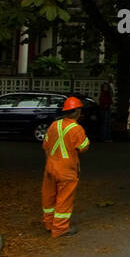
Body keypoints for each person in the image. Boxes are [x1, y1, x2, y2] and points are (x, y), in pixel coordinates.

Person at [41, 96, 91, 237]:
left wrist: (49, 162)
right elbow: (83, 148)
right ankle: (60, 228)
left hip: (50, 166)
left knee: (48, 197)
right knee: (64, 199)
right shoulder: (76, 129)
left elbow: (45, 146)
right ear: (77, 112)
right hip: (66, 169)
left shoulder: (54, 125)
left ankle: (49, 224)